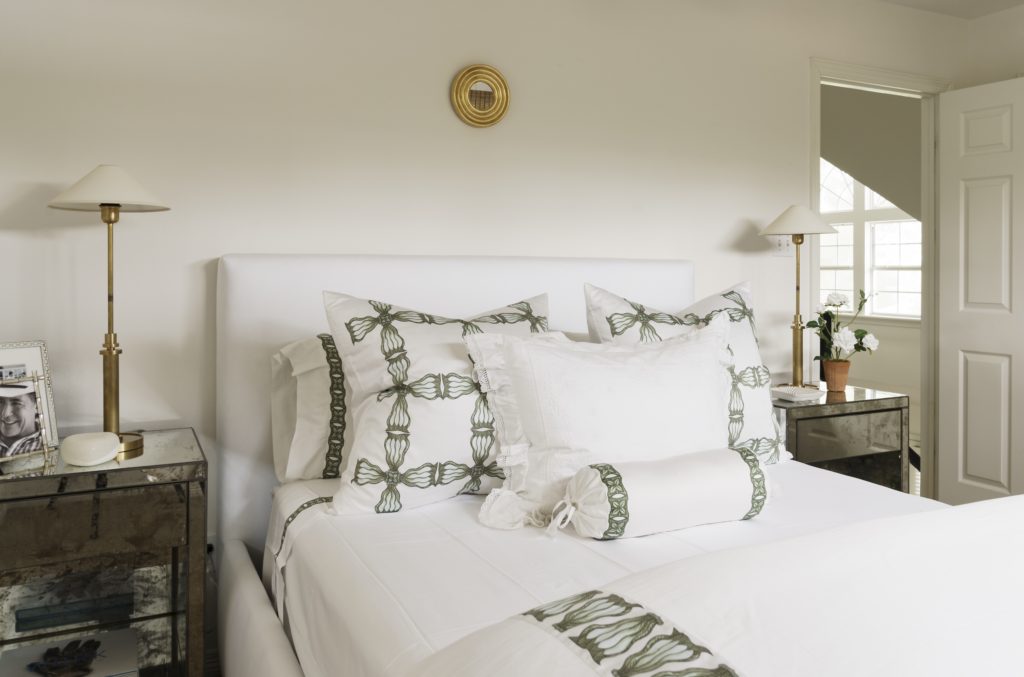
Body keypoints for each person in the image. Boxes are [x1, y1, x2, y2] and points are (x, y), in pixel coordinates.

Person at [0, 383, 42, 456]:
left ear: (37, 406)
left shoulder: (45, 444)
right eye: (0, 402)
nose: (5, 414)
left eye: (16, 403)